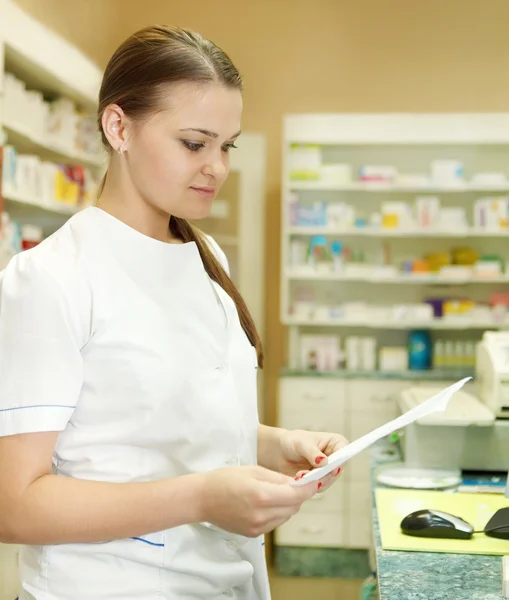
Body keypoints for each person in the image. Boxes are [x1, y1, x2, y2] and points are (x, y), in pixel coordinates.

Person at [0, 25, 347, 600]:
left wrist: (276, 442)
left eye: (227, 145)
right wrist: (202, 497)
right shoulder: (50, 280)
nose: (217, 166)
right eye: (194, 143)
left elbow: (156, 419)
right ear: (119, 127)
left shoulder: (205, 256)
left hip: (227, 581)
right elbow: (13, 504)